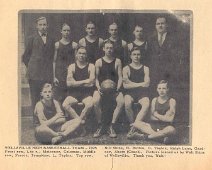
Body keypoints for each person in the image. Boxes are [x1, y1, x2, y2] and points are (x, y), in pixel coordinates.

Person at [22, 17, 55, 114]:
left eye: (44, 24)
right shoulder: (31, 39)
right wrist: (33, 67)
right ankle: (36, 121)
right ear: (37, 26)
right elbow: (25, 57)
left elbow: (52, 56)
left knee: (47, 97)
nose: (43, 27)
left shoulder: (51, 39)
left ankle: (46, 120)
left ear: (47, 26)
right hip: (34, 75)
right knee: (35, 97)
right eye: (40, 25)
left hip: (47, 75)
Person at [129, 80, 177, 144]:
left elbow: (170, 119)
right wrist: (163, 117)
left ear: (167, 89)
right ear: (157, 89)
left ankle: (145, 137)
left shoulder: (172, 101)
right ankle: (161, 138)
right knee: (136, 123)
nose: (161, 90)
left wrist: (156, 114)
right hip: (154, 126)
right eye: (159, 88)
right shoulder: (154, 100)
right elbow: (152, 117)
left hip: (166, 127)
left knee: (172, 130)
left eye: (164, 88)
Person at [93, 40, 124, 138]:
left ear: (113, 49)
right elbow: (96, 78)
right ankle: (100, 125)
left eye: (111, 48)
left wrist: (117, 89)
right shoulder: (98, 61)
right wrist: (98, 88)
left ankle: (111, 125)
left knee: (121, 101)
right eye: (107, 48)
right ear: (103, 49)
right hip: (101, 89)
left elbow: (120, 77)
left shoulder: (117, 61)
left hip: (114, 89)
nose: (109, 50)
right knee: (95, 101)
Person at [62, 46, 95, 136]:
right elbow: (69, 84)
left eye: (84, 53)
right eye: (80, 53)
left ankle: (78, 124)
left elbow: (91, 83)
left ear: (86, 55)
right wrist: (85, 81)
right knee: (65, 104)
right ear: (76, 55)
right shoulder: (72, 66)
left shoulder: (91, 66)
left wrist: (75, 82)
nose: (81, 55)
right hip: (74, 93)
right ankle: (80, 124)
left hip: (86, 93)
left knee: (90, 104)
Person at [123, 47, 150, 138]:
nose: (136, 56)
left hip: (142, 93)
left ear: (141, 56)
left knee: (146, 103)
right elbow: (125, 86)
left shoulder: (146, 68)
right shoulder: (126, 68)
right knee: (127, 103)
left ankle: (133, 128)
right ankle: (133, 125)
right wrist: (140, 84)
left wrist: (131, 83)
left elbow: (147, 85)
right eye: (134, 54)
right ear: (130, 56)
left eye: (138, 54)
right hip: (130, 92)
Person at [148, 16, 179, 96]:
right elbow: (148, 57)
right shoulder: (151, 39)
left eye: (162, 23)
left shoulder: (174, 39)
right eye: (158, 24)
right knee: (154, 96)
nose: (160, 26)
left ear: (166, 25)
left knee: (169, 96)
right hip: (154, 73)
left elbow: (176, 57)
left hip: (169, 73)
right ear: (155, 26)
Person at [53, 23, 78, 103]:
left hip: (70, 73)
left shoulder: (74, 45)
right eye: (64, 30)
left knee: (69, 95)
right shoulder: (57, 45)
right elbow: (54, 61)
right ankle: (61, 114)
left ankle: (69, 115)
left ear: (70, 32)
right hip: (60, 73)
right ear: (61, 31)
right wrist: (54, 76)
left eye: (68, 30)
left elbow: (76, 61)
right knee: (59, 96)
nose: (66, 32)